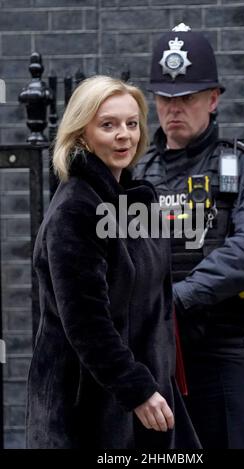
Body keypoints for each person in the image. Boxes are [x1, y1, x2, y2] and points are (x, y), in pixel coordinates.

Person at [26, 75, 201, 449]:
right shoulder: (76, 209)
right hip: (89, 411)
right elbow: (86, 321)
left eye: (131, 123)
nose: (124, 134)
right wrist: (136, 389)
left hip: (143, 401)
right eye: (108, 125)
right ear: (81, 134)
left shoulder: (131, 201)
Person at [133, 24, 244, 449]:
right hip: (152, 361)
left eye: (187, 98)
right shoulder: (134, 176)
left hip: (225, 355)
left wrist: (177, 297)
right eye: (165, 98)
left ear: (213, 99)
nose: (174, 108)